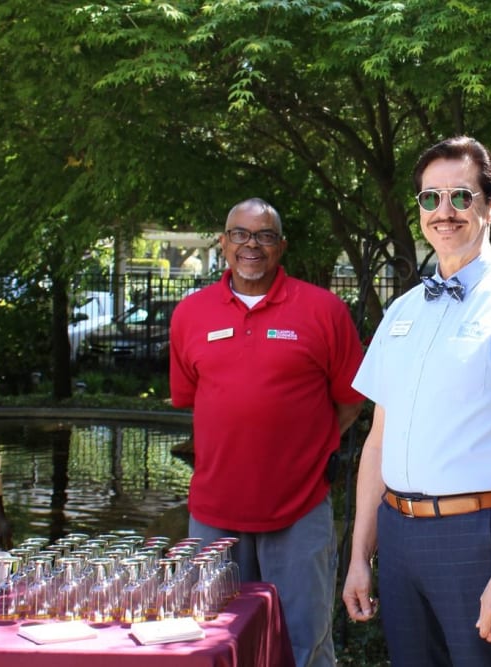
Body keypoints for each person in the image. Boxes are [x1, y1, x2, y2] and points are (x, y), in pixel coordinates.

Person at [342, 136, 491, 665]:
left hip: (478, 537)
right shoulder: (401, 312)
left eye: (461, 197)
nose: (444, 212)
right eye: (430, 199)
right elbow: (378, 440)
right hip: (397, 535)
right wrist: (359, 555)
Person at [170, 197, 365, 667]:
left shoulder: (323, 310)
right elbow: (193, 400)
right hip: (214, 514)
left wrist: (306, 448)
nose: (250, 245)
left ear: (281, 246)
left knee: (304, 645)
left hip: (299, 510)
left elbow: (352, 401)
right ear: (223, 243)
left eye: (263, 236)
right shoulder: (190, 314)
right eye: (239, 234)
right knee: (212, 642)